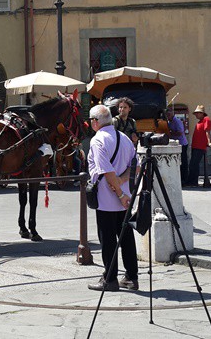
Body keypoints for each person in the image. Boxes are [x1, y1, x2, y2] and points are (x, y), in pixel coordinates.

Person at [87, 104, 139, 292]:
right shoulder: (124, 137)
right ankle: (132, 277)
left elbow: (106, 171)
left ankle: (109, 278)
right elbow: (136, 165)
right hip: (124, 200)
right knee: (126, 238)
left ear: (95, 122)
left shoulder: (98, 140)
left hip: (108, 199)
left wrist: (118, 191)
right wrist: (123, 182)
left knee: (108, 240)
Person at [186, 105, 211, 188]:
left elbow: (207, 131)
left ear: (202, 113)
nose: (196, 115)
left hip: (200, 146)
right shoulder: (200, 121)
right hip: (196, 146)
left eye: (197, 113)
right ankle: (192, 181)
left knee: (194, 164)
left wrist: (210, 142)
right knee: (193, 164)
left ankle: (193, 182)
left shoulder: (206, 119)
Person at [166, 108, 189, 185]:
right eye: (167, 115)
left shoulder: (177, 121)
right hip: (176, 144)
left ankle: (185, 179)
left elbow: (180, 133)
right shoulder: (169, 122)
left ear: (172, 114)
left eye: (169, 114)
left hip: (182, 144)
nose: (168, 116)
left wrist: (170, 134)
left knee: (183, 162)